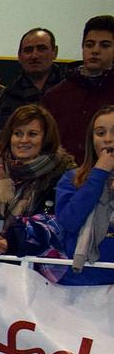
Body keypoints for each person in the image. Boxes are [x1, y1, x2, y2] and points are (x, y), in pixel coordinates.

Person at [0, 104, 75, 254]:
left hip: (31, 265)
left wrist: (11, 243)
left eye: (32, 134)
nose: (23, 140)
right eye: (18, 133)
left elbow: (58, 228)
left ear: (46, 139)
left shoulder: (62, 178)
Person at [54, 105, 114, 284]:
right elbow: (69, 221)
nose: (108, 140)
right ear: (91, 140)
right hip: (80, 281)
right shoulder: (72, 178)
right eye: (100, 133)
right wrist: (99, 174)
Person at [42, 15, 114, 158]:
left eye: (105, 45)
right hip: (61, 176)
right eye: (89, 44)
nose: (95, 50)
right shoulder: (55, 96)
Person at [0, 28, 66, 124]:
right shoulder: (3, 99)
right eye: (28, 50)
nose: (34, 56)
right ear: (19, 56)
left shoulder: (71, 92)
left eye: (42, 49)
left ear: (55, 52)